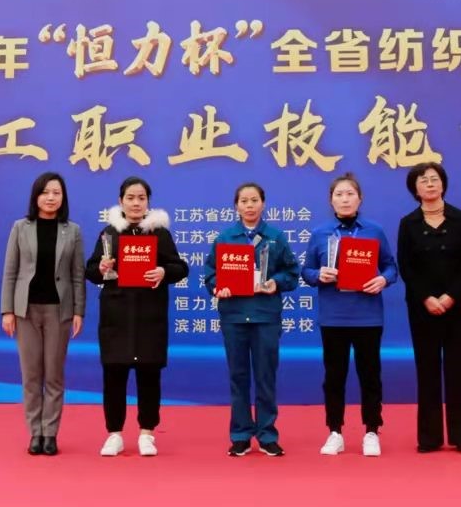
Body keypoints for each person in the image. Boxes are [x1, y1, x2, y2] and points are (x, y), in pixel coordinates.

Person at [85, 176, 188, 457]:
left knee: (149, 375)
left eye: (141, 198)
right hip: (116, 317)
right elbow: (90, 270)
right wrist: (102, 268)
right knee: (114, 376)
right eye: (130, 198)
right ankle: (114, 434)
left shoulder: (159, 233)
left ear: (148, 202)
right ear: (120, 201)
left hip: (149, 317)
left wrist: (163, 272)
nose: (135, 203)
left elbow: (180, 268)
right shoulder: (109, 233)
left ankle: (147, 433)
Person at [302, 172, 397, 457]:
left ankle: (371, 430)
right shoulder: (320, 233)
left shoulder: (374, 230)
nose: (345, 199)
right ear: (331, 200)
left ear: (360, 198)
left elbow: (391, 266)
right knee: (334, 376)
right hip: (333, 316)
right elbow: (306, 271)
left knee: (370, 375)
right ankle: (335, 431)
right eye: (339, 194)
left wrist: (383, 279)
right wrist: (318, 275)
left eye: (350, 194)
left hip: (368, 316)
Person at [203, 182, 300, 457]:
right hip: (234, 316)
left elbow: (292, 273)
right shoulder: (225, 238)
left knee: (266, 376)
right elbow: (210, 274)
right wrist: (217, 287)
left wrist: (276, 282)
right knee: (238, 377)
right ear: (236, 206)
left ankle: (267, 434)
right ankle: (241, 435)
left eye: (254, 200)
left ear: (263, 204)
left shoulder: (275, 237)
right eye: (244, 201)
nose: (249, 205)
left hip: (265, 316)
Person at [397, 162, 461, 454]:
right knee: (427, 368)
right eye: (423, 180)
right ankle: (429, 437)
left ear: (443, 184)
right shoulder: (408, 223)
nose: (430, 184)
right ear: (415, 189)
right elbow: (406, 266)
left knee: (460, 367)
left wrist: (451, 296)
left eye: (434, 179)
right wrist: (427, 298)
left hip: (456, 305)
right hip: (422, 307)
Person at [0, 172, 85, 457]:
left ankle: (50, 433)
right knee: (31, 375)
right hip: (25, 310)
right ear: (36, 196)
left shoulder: (72, 230)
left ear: (63, 198)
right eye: (45, 192)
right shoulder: (20, 228)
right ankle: (34, 433)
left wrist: (79, 311)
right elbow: (10, 272)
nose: (51, 198)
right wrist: (7, 310)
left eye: (56, 193)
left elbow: (77, 275)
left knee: (54, 375)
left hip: (59, 311)